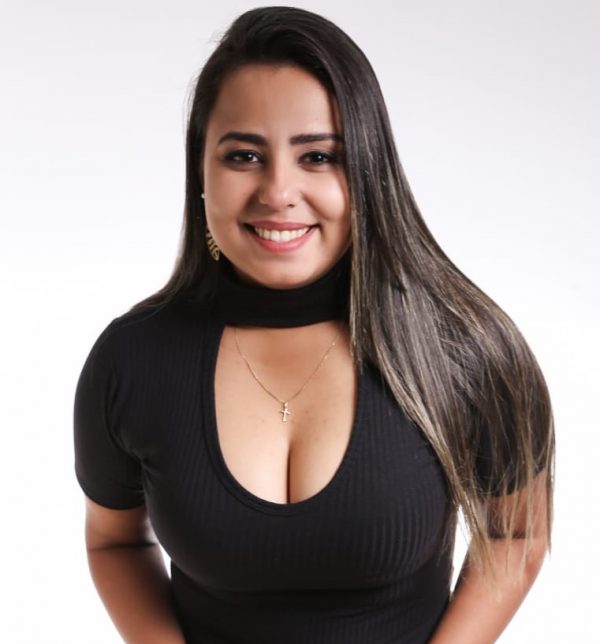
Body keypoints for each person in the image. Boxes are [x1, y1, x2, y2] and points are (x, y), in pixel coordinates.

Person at [73, 6, 555, 643]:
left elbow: (516, 533)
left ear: (369, 172)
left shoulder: (462, 347)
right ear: (200, 172)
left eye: (319, 156)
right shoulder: (132, 359)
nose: (278, 191)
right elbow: (114, 542)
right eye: (244, 155)